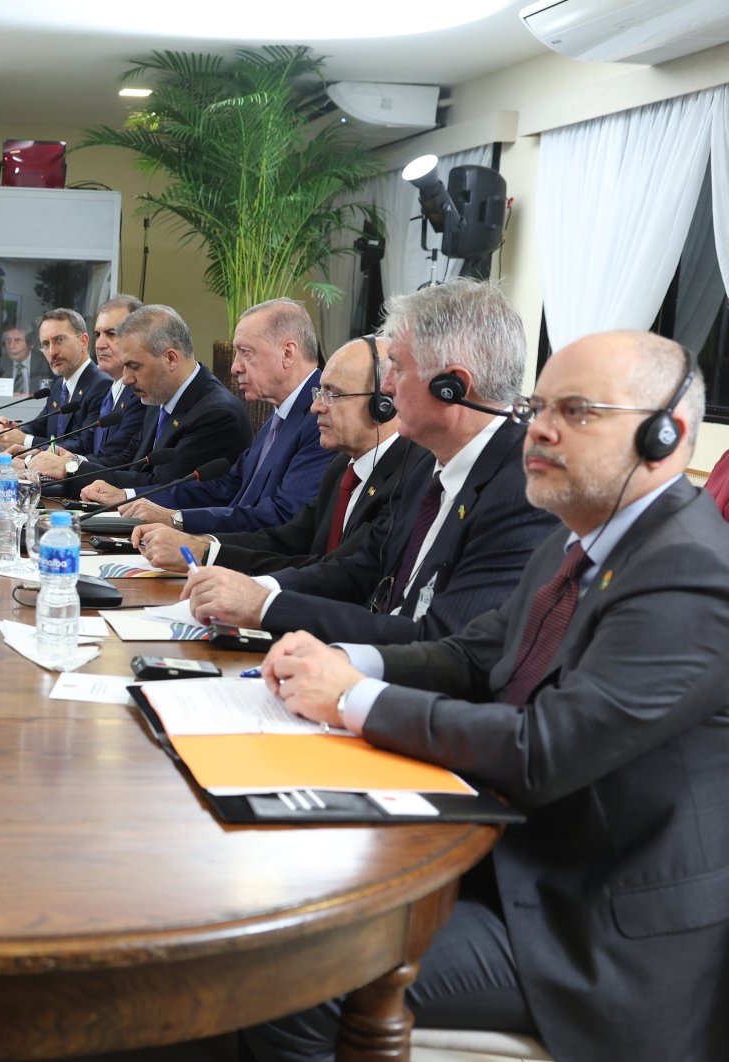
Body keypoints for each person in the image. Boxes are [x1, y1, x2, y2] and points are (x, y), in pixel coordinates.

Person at [247, 331, 729, 1062]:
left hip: (586, 920)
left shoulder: (689, 573)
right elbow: (472, 656)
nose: (538, 427)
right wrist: (342, 659)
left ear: (668, 436)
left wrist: (353, 701)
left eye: (577, 411)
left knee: (292, 975)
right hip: (503, 849)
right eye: (538, 406)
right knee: (282, 885)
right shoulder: (578, 535)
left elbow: (543, 750)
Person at [182, 279, 557, 645]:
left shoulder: (523, 491)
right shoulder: (428, 465)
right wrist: (255, 595)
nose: (388, 388)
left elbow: (442, 641)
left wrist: (265, 607)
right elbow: (360, 567)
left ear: (452, 387)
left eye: (398, 368)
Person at [134, 336, 414, 574]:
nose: (317, 407)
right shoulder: (342, 467)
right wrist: (202, 548)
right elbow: (286, 539)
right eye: (320, 392)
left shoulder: (406, 479)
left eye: (332, 394)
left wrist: (207, 556)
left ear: (383, 405)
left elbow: (342, 573)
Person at [90, 298, 333, 533]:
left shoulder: (320, 420)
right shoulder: (280, 415)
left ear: (288, 353)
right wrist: (129, 497)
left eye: (245, 352)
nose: (234, 367)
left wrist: (179, 521)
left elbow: (282, 516)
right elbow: (226, 486)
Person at [57, 304, 250, 493]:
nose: (126, 379)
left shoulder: (216, 413)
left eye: (134, 366)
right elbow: (130, 459)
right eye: (125, 366)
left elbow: (162, 485)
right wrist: (73, 462)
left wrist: (72, 470)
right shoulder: (159, 394)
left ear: (171, 359)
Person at [22, 295, 145, 484]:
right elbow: (99, 451)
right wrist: (17, 435)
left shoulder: (135, 393)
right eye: (98, 334)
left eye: (112, 333)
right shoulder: (113, 390)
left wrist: (63, 463)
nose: (100, 344)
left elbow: (117, 456)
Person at [0, 309, 111, 454]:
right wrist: (14, 431)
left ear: (83, 341)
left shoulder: (102, 385)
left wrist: (24, 440)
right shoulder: (58, 386)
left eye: (59, 340)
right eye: (46, 344)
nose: (52, 352)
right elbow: (40, 425)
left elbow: (85, 444)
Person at [0, 325, 48, 395]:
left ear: (30, 343)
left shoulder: (44, 363)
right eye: (8, 340)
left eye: (17, 340)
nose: (11, 346)